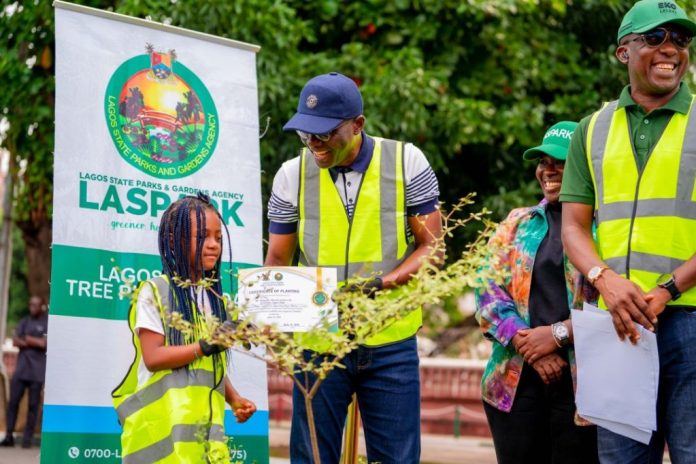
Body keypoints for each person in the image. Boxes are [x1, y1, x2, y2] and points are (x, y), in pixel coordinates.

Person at [265, 72, 442, 463]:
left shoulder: (406, 161)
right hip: (317, 344)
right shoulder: (290, 174)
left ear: (357, 125)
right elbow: (278, 260)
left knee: (396, 459)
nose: (314, 143)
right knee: (312, 457)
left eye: (324, 133)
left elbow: (433, 247)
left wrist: (386, 282)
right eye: (306, 134)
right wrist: (274, 326)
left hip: (389, 340)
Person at [560, 1, 696, 462]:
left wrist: (668, 290)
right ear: (624, 52)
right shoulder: (591, 129)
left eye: (680, 39)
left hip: (691, 321)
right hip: (618, 323)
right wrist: (606, 280)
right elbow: (574, 227)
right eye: (655, 38)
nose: (670, 49)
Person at [475, 122, 598, 463]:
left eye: (560, 161)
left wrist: (557, 336)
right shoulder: (518, 223)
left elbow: (613, 300)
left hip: (585, 386)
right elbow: (486, 291)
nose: (548, 170)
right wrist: (531, 346)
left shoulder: (606, 227)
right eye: (543, 161)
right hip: (515, 384)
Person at [111, 193, 256, 463]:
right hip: (159, 439)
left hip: (203, 439)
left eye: (218, 238)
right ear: (174, 240)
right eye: (202, 237)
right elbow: (153, 358)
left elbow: (206, 364)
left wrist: (234, 399)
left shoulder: (216, 301)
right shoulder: (156, 291)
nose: (213, 245)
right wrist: (205, 345)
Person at [0, 295, 48, 448]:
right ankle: (9, 436)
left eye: (35, 305)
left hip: (37, 372)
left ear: (42, 306)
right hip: (21, 370)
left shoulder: (47, 323)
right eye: (30, 305)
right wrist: (33, 341)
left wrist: (26, 339)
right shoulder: (25, 321)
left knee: (33, 406)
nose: (32, 307)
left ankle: (27, 439)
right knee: (13, 403)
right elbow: (15, 341)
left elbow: (44, 344)